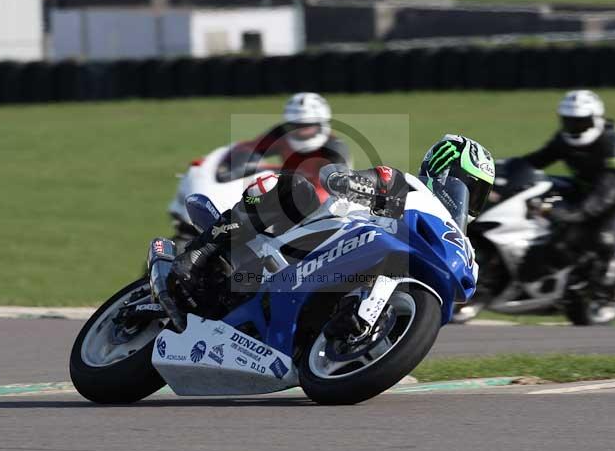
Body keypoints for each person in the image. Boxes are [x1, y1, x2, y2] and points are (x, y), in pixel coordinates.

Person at [151, 135, 494, 331]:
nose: (469, 200)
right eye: (468, 187)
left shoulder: (462, 246)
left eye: (478, 194)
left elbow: (465, 291)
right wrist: (352, 183)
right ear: (444, 172)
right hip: (313, 238)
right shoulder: (411, 188)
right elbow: (340, 177)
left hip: (345, 276)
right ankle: (199, 253)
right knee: (294, 188)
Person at [518, 90, 615, 285]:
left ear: (596, 119)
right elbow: (538, 159)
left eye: (581, 122)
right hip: (583, 190)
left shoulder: (613, 146)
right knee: (543, 201)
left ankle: (603, 272)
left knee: (602, 238)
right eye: (569, 121)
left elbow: (606, 192)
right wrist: (507, 167)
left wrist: (574, 214)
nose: (574, 128)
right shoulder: (563, 139)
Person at [217, 92, 351, 197]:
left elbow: (338, 191)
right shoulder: (280, 135)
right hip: (287, 184)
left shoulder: (335, 150)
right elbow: (250, 148)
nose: (302, 131)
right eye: (297, 125)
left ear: (322, 124)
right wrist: (233, 168)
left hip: (319, 198)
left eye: (308, 126)